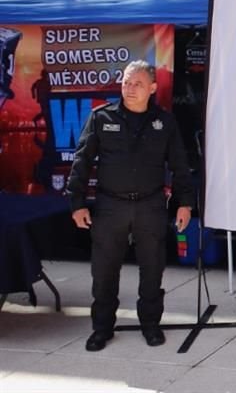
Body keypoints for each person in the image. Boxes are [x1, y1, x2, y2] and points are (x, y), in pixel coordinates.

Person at [66, 60, 194, 352]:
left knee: (152, 269)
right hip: (110, 205)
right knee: (104, 271)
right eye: (126, 82)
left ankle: (150, 325)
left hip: (150, 205)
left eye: (137, 83)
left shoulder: (165, 122)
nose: (130, 88)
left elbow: (180, 166)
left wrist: (185, 204)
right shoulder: (101, 117)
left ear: (152, 87)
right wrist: (76, 203)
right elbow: (81, 161)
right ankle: (102, 328)